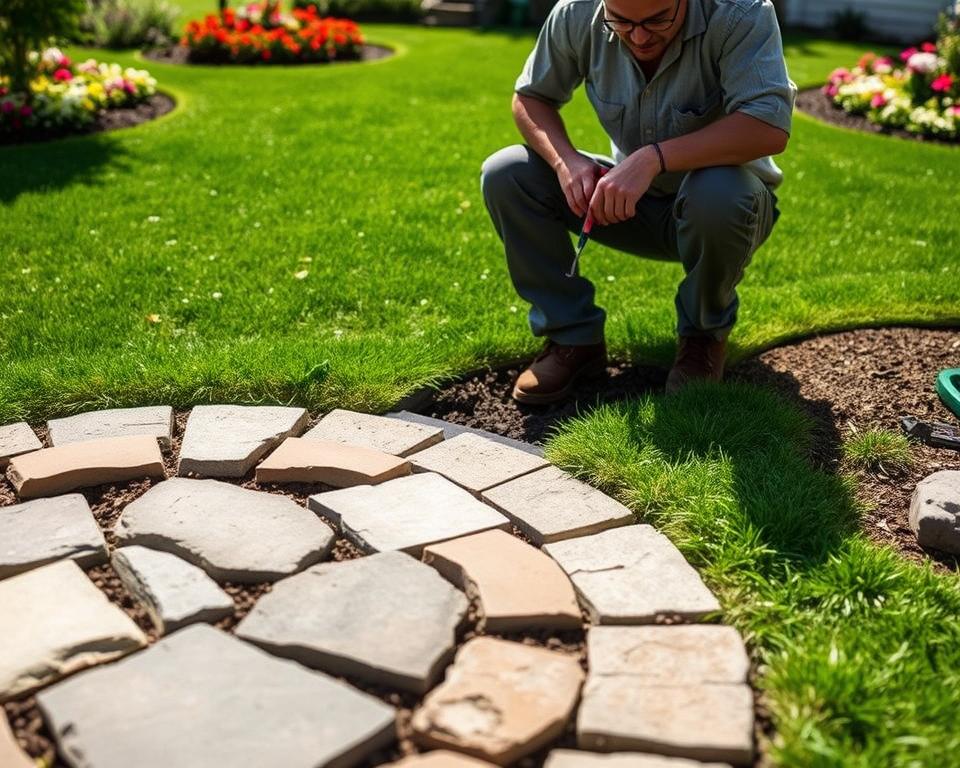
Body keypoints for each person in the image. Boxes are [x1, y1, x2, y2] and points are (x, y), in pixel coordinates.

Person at [480, 0, 796, 404]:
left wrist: (653, 158)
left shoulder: (739, 14)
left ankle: (703, 339)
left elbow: (768, 125)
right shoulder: (576, 13)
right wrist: (566, 163)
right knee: (507, 172)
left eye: (658, 20)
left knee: (718, 192)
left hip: (725, 210)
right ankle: (572, 338)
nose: (640, 36)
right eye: (621, 22)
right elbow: (531, 98)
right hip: (631, 206)